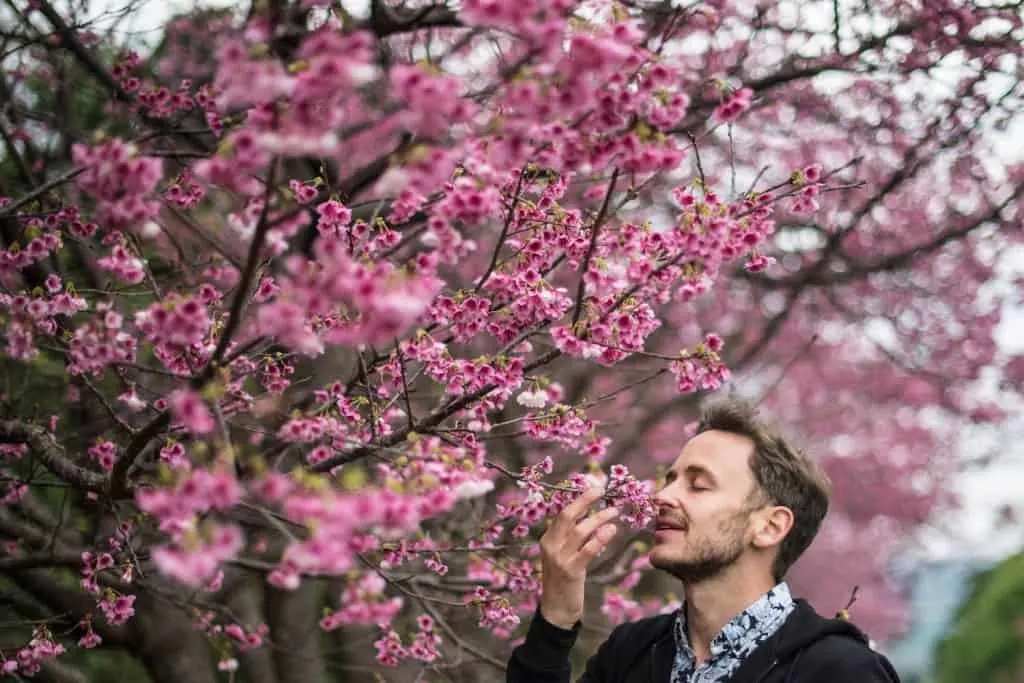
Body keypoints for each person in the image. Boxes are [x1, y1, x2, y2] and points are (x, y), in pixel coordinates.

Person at [506, 398, 901, 683]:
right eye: (670, 479)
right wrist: (555, 621)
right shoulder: (632, 653)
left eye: (698, 485)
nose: (662, 497)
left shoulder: (839, 671)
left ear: (769, 526)